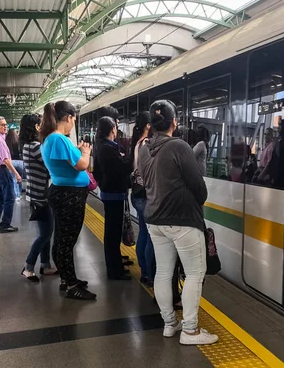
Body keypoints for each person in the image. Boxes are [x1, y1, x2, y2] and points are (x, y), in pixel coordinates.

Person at [138, 99, 218, 345]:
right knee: (195, 272)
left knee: (163, 272)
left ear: (151, 124)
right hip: (182, 220)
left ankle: (170, 324)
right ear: (174, 122)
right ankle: (191, 331)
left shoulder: (143, 148)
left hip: (154, 220)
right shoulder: (179, 146)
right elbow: (199, 187)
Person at [40, 101, 96, 300]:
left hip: (65, 193)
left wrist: (78, 151)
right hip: (68, 195)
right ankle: (71, 285)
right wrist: (86, 152)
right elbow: (81, 165)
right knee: (66, 240)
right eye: (74, 119)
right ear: (69, 118)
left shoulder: (53, 139)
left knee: (64, 239)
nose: (74, 123)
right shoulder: (58, 139)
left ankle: (67, 278)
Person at [93, 116, 134, 281]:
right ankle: (114, 270)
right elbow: (123, 168)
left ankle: (115, 259)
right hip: (113, 194)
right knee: (112, 233)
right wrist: (130, 159)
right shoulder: (107, 148)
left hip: (111, 193)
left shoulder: (104, 146)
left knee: (113, 231)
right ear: (112, 130)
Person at [20, 114, 58, 281]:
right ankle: (28, 267)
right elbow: (51, 163)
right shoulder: (35, 146)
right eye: (41, 124)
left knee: (45, 232)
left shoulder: (28, 145)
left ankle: (45, 265)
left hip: (36, 193)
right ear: (36, 127)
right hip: (41, 194)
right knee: (45, 233)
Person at [130, 111, 155, 285]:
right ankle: (148, 273)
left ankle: (144, 270)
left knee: (144, 234)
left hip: (137, 193)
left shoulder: (137, 143)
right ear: (148, 125)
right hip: (146, 194)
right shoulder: (147, 144)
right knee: (150, 236)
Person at [0, 116, 21, 232]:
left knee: (1, 196)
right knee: (10, 197)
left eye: (6, 124)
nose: (5, 126)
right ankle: (5, 224)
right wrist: (16, 173)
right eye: (2, 125)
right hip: (2, 170)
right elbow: (5, 159)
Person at [6, 129, 26, 201]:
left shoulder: (6, 142)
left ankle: (17, 195)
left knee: (14, 179)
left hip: (10, 162)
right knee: (19, 178)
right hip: (20, 162)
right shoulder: (18, 141)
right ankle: (19, 192)